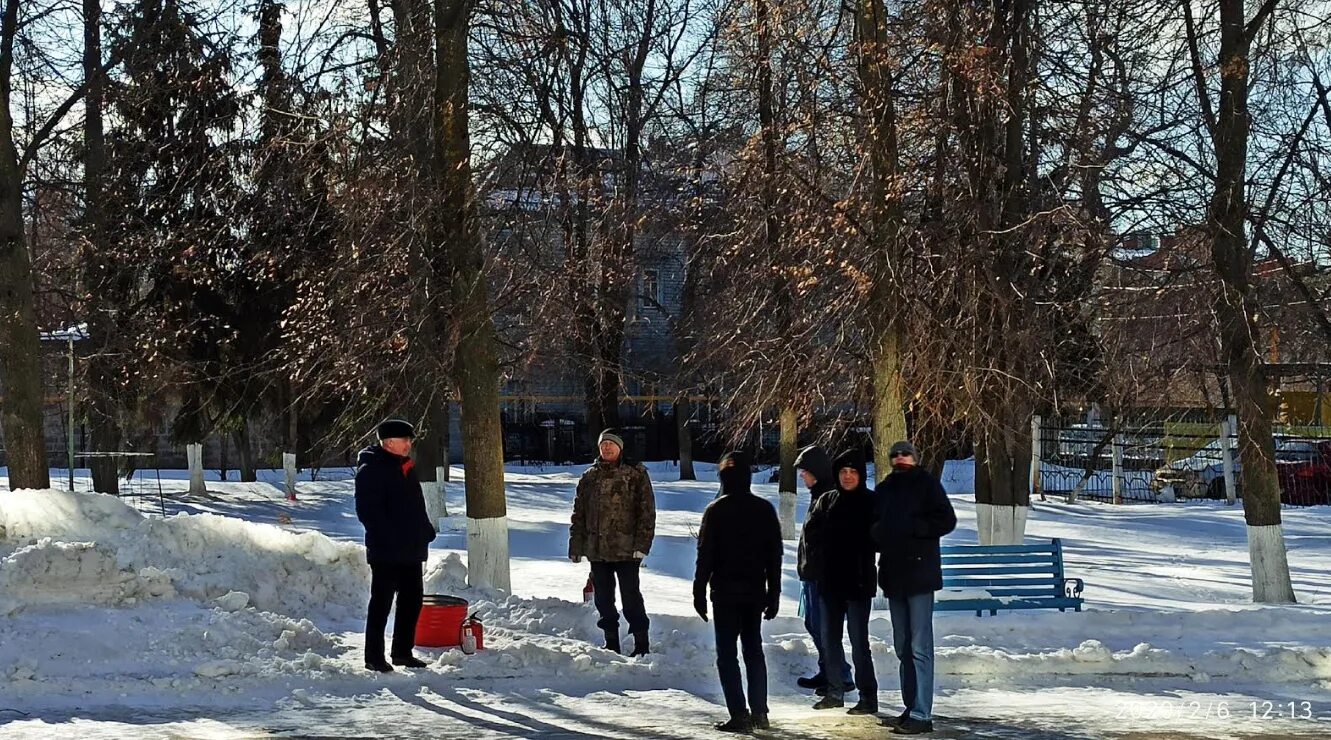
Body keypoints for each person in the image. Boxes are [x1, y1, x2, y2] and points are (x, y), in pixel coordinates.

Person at [693, 451, 783, 733]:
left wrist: (698, 591)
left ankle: (739, 714)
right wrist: (774, 592)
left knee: (728, 654)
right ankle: (759, 713)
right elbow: (775, 557)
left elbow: (704, 555)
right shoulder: (764, 509)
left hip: (725, 593)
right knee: (753, 650)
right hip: (754, 591)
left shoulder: (716, 510)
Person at [872, 440, 958, 735]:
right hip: (894, 576)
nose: (900, 458)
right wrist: (879, 534)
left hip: (920, 574)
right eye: (895, 454)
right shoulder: (884, 490)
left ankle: (923, 713)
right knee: (902, 645)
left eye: (905, 454)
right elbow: (874, 526)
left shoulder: (927, 485)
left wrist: (916, 529)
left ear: (915, 457)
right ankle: (911, 708)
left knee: (920, 646)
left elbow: (947, 519)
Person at [354, 419, 438, 672]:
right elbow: (368, 513)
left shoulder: (405, 467)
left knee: (412, 602)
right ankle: (374, 657)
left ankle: (402, 652)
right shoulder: (372, 469)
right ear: (389, 442)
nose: (409, 444)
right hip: (386, 551)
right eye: (405, 440)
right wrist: (391, 538)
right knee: (381, 604)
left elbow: (415, 506)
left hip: (411, 549)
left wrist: (425, 531)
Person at [569, 429, 657, 656]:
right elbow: (578, 514)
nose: (606, 448)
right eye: (603, 444)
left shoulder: (635, 474)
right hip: (597, 551)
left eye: (611, 444)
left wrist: (642, 545)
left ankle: (641, 644)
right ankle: (611, 643)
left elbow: (647, 512)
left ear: (620, 447)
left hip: (627, 550)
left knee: (631, 598)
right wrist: (576, 546)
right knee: (603, 600)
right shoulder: (589, 477)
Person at [806, 449, 879, 714]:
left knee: (859, 643)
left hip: (859, 584)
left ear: (860, 474)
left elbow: (879, 538)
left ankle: (868, 697)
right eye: (843, 472)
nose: (848, 477)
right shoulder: (827, 501)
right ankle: (834, 692)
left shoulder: (871, 502)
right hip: (830, 583)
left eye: (853, 472)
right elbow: (811, 534)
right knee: (829, 640)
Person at [794, 445, 854, 695]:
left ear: (816, 472)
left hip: (821, 576)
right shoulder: (818, 494)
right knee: (813, 624)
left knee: (822, 627)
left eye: (804, 471)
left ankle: (840, 674)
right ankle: (829, 669)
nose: (801, 476)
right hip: (811, 574)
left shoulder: (828, 497)